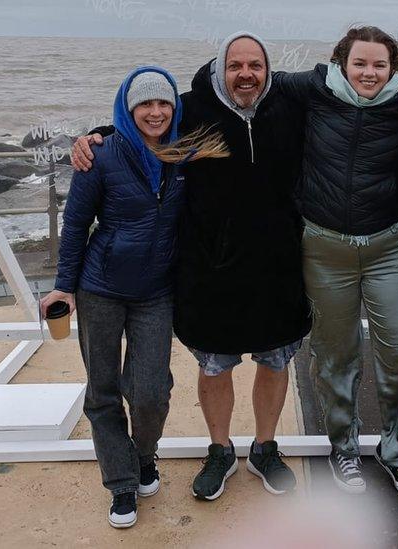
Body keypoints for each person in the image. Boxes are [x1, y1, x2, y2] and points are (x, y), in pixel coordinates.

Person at [70, 32, 311, 501]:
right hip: (210, 268)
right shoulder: (191, 112)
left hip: (277, 263)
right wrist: (92, 137)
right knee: (216, 365)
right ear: (221, 67)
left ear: (268, 69)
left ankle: (265, 448)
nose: (246, 74)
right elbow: (142, 129)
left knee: (275, 360)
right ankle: (219, 451)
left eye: (255, 66)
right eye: (236, 65)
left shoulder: (289, 107)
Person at [42, 66, 228, 528]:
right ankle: (122, 484)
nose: (155, 111)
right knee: (103, 391)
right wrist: (64, 283)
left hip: (155, 293)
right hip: (100, 289)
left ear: (174, 107)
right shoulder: (102, 155)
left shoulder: (184, 153)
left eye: (163, 102)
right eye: (144, 103)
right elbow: (76, 223)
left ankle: (144, 455)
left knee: (150, 392)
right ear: (128, 108)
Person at [272, 26, 398, 499]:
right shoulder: (315, 87)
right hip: (324, 247)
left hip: (388, 246)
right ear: (341, 62)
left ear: (393, 68)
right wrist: (106, 131)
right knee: (335, 357)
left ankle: (397, 452)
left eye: (380, 65)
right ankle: (345, 448)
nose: (369, 73)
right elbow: (243, 87)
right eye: (360, 63)